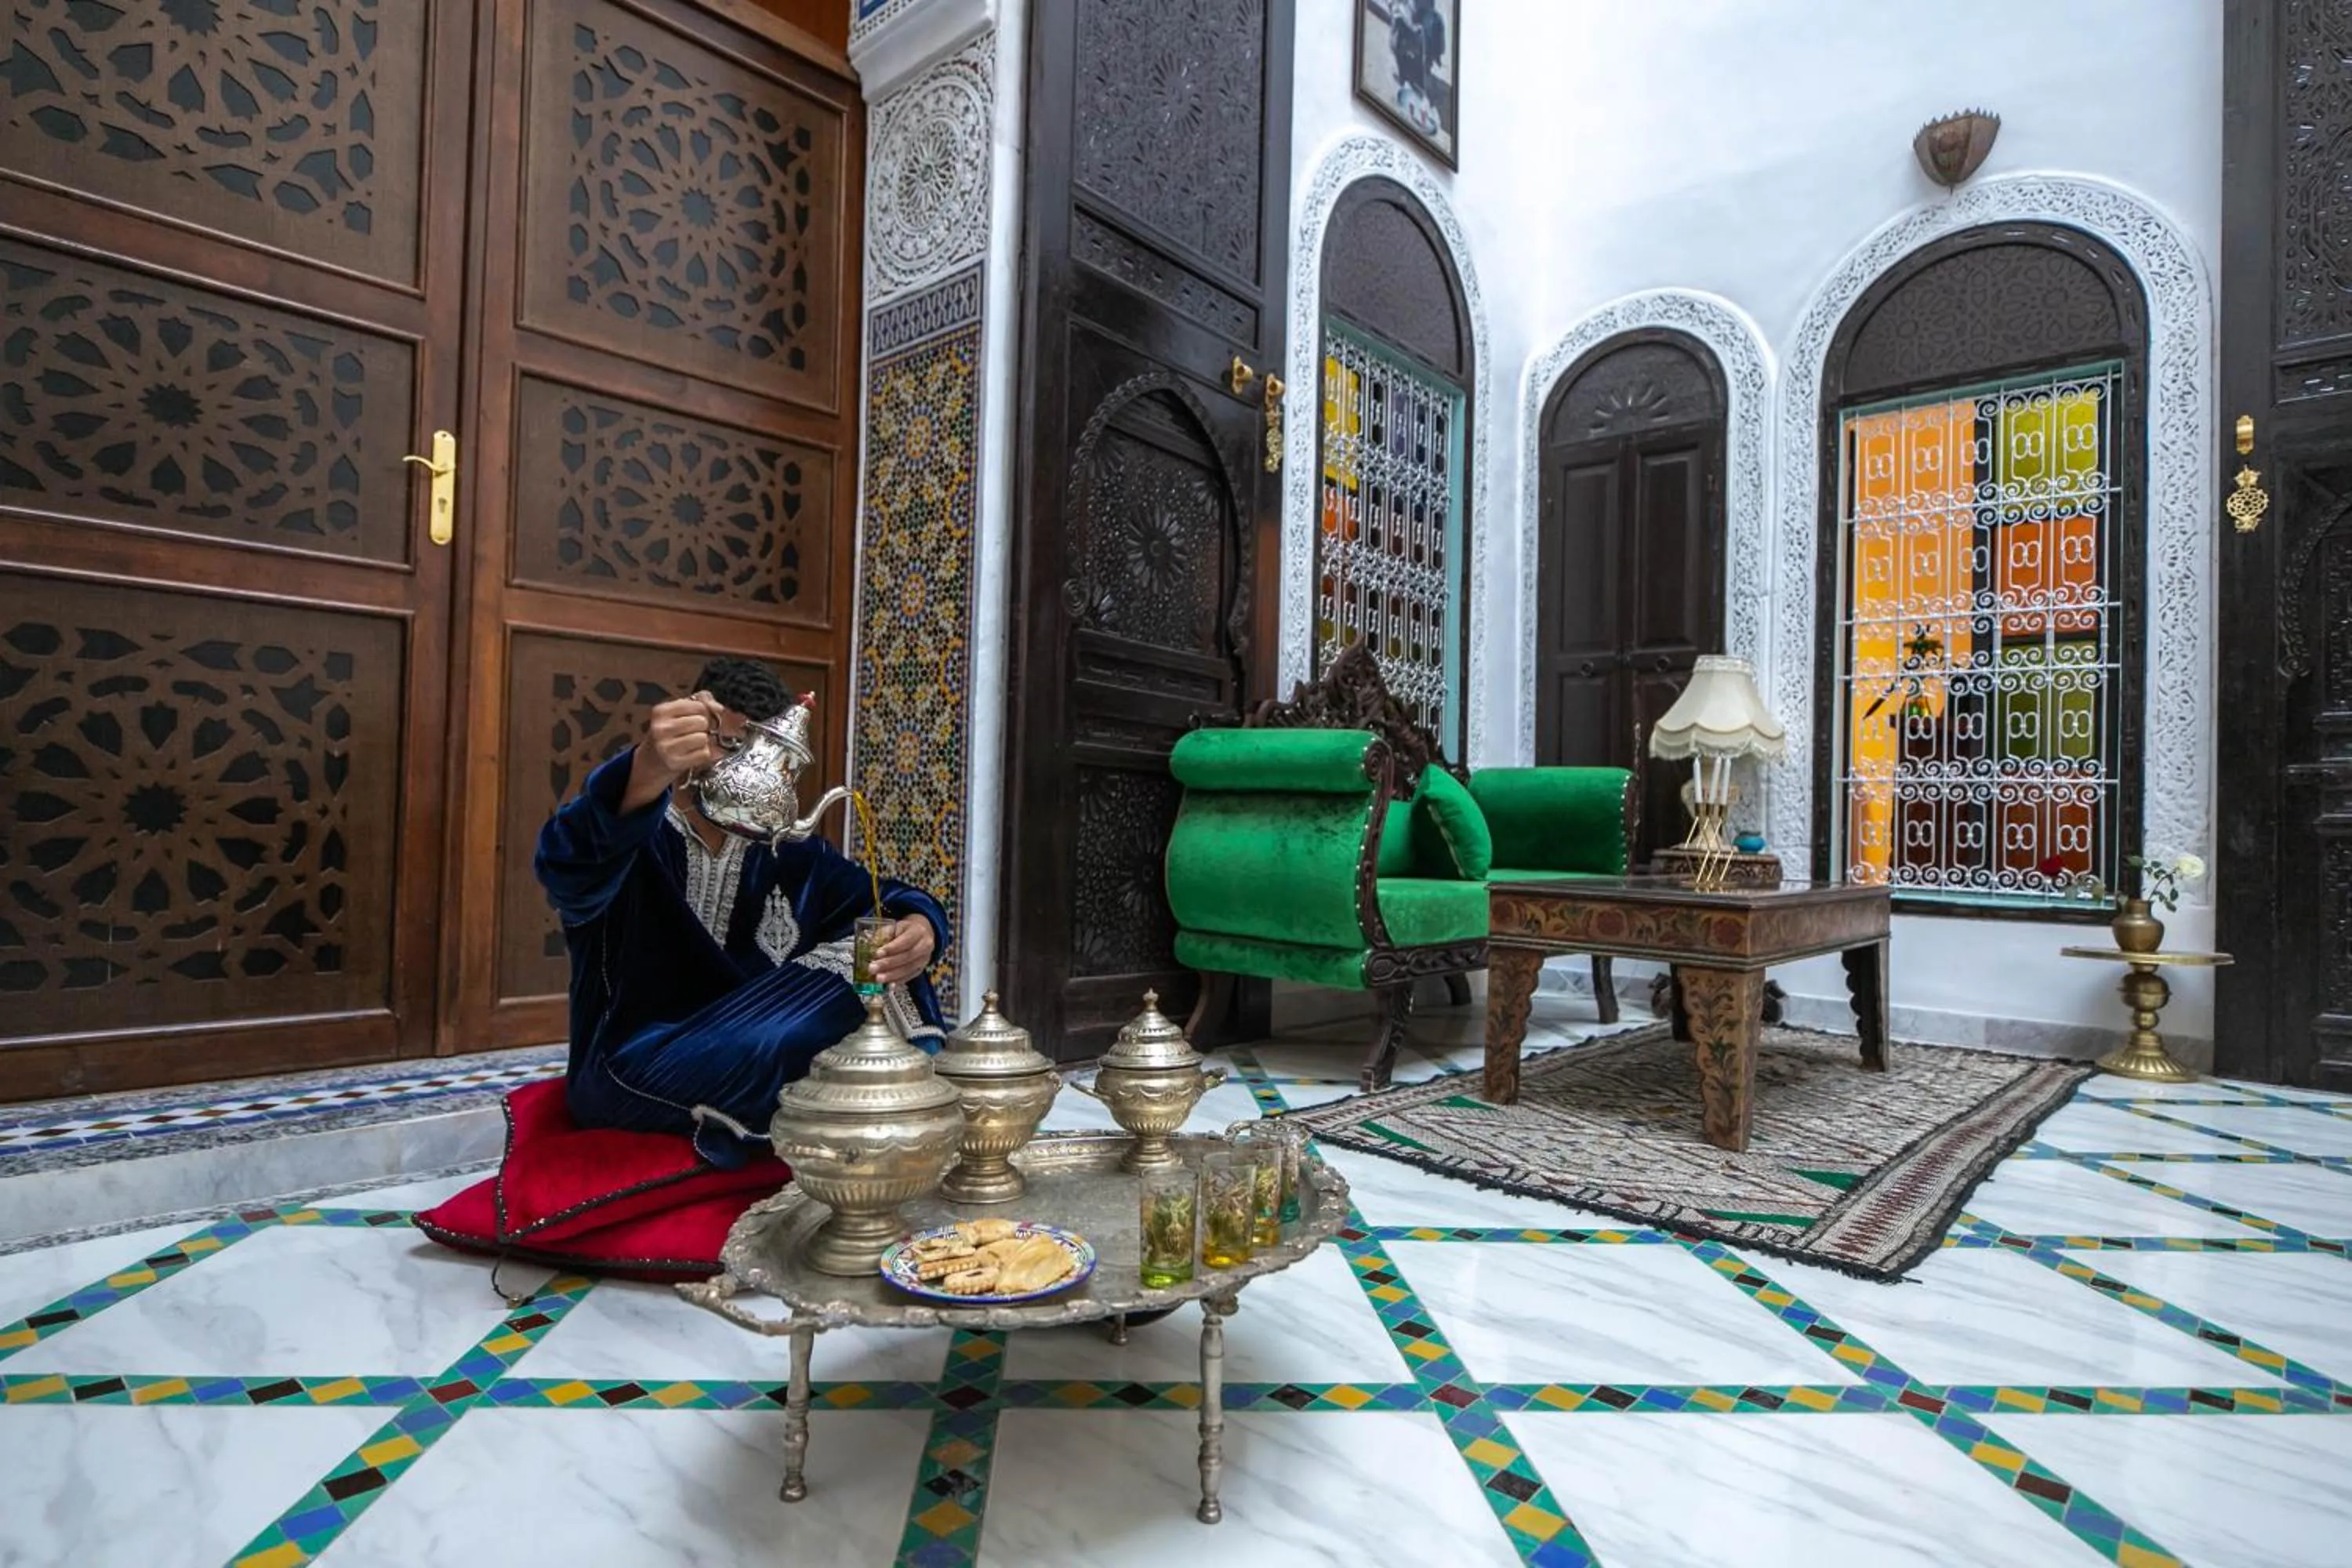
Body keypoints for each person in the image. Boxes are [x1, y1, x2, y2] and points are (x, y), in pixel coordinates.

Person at [535, 656, 951, 1167]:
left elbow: (884, 896)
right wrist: (645, 768)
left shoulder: (787, 852)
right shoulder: (633, 834)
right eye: (727, 746)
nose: (740, 770)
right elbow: (565, 868)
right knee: (785, 1033)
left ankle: (915, 1120)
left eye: (761, 755)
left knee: (882, 951)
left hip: (751, 1044)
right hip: (632, 1070)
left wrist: (921, 927)